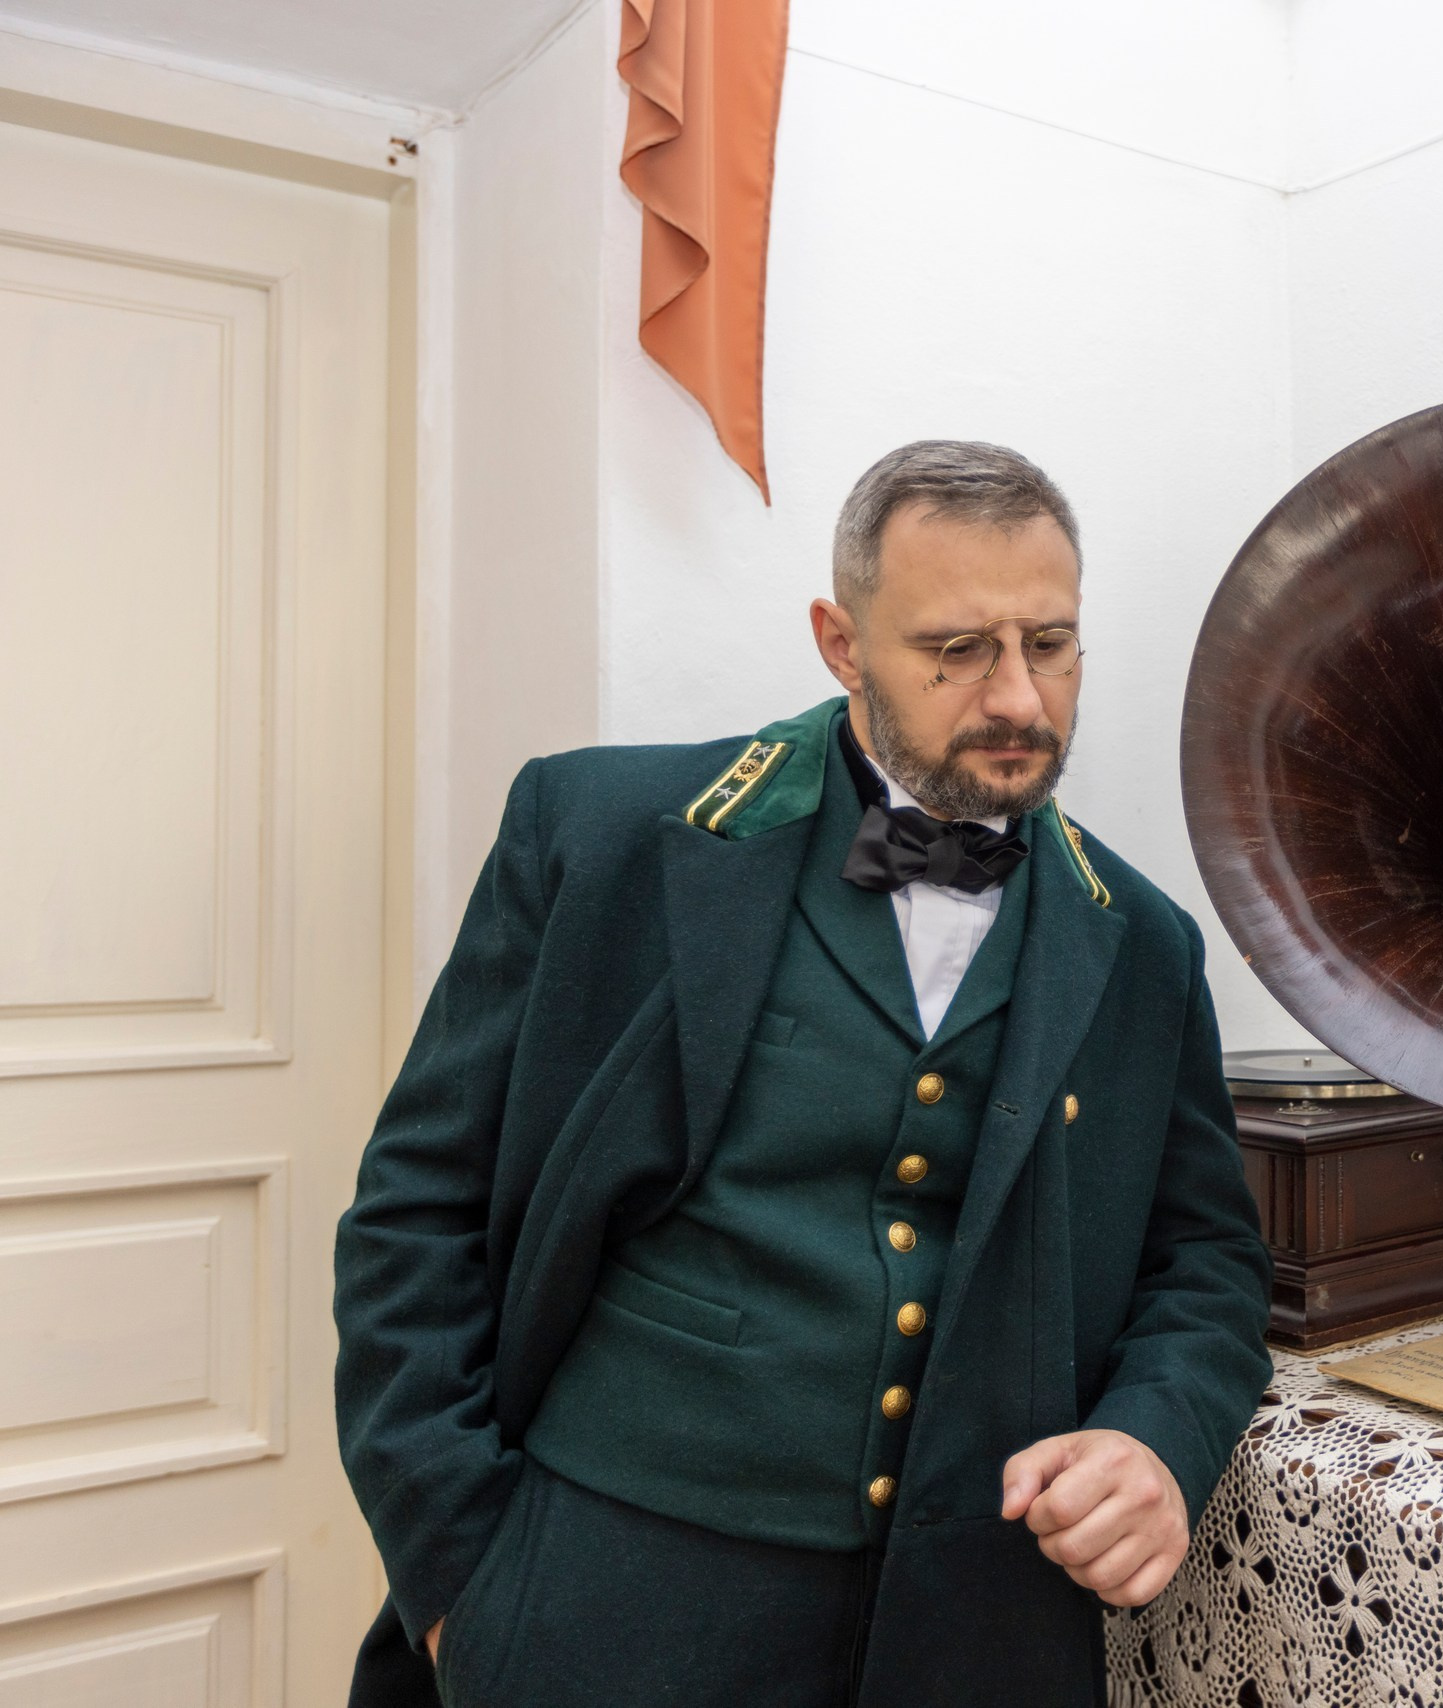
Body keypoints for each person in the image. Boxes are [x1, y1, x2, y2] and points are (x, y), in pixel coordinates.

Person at [334, 441, 1274, 1708]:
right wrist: (458, 1578)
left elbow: (1205, 1263)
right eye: (957, 649)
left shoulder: (1145, 943)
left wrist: (1156, 1437)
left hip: (970, 1637)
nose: (1018, 697)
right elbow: (415, 1213)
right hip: (599, 1613)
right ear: (841, 644)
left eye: (1049, 644)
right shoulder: (603, 839)